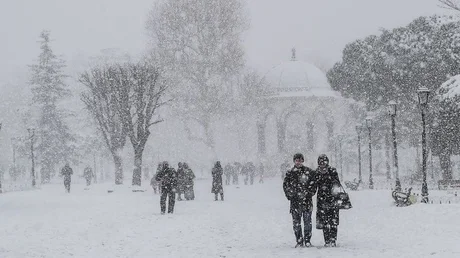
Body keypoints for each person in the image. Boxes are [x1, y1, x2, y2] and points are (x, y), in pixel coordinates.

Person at [283, 153, 317, 248]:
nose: (298, 162)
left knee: (307, 223)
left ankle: (307, 240)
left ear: (302, 160)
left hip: (306, 201)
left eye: (300, 160)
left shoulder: (309, 172)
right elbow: (286, 186)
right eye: (296, 160)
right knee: (296, 223)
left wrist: (308, 193)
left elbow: (313, 185)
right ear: (294, 161)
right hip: (295, 202)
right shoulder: (290, 173)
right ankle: (299, 240)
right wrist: (291, 195)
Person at [314, 154, 341, 247]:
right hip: (322, 200)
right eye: (321, 162)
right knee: (324, 221)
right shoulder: (316, 172)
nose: (322, 164)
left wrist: (329, 186)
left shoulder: (332, 171)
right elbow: (313, 185)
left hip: (332, 198)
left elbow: (337, 183)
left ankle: (333, 240)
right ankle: (327, 240)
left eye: (324, 161)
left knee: (333, 221)